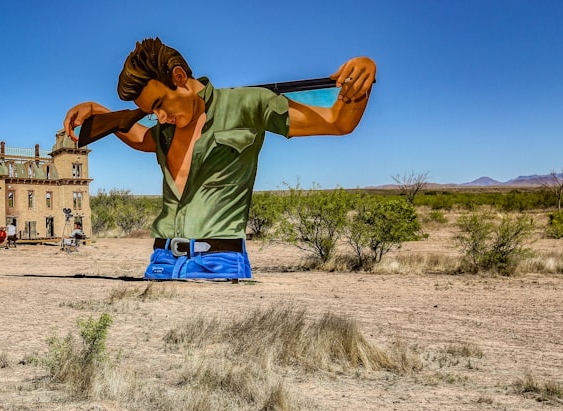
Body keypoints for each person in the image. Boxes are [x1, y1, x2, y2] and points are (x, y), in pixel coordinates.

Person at [63, 37, 376, 280]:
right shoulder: (164, 131)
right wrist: (99, 112)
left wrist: (362, 77)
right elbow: (136, 135)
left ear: (180, 76)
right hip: (160, 265)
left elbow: (337, 121)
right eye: (150, 112)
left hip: (220, 266)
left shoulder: (248, 104)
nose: (158, 117)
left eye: (160, 104)